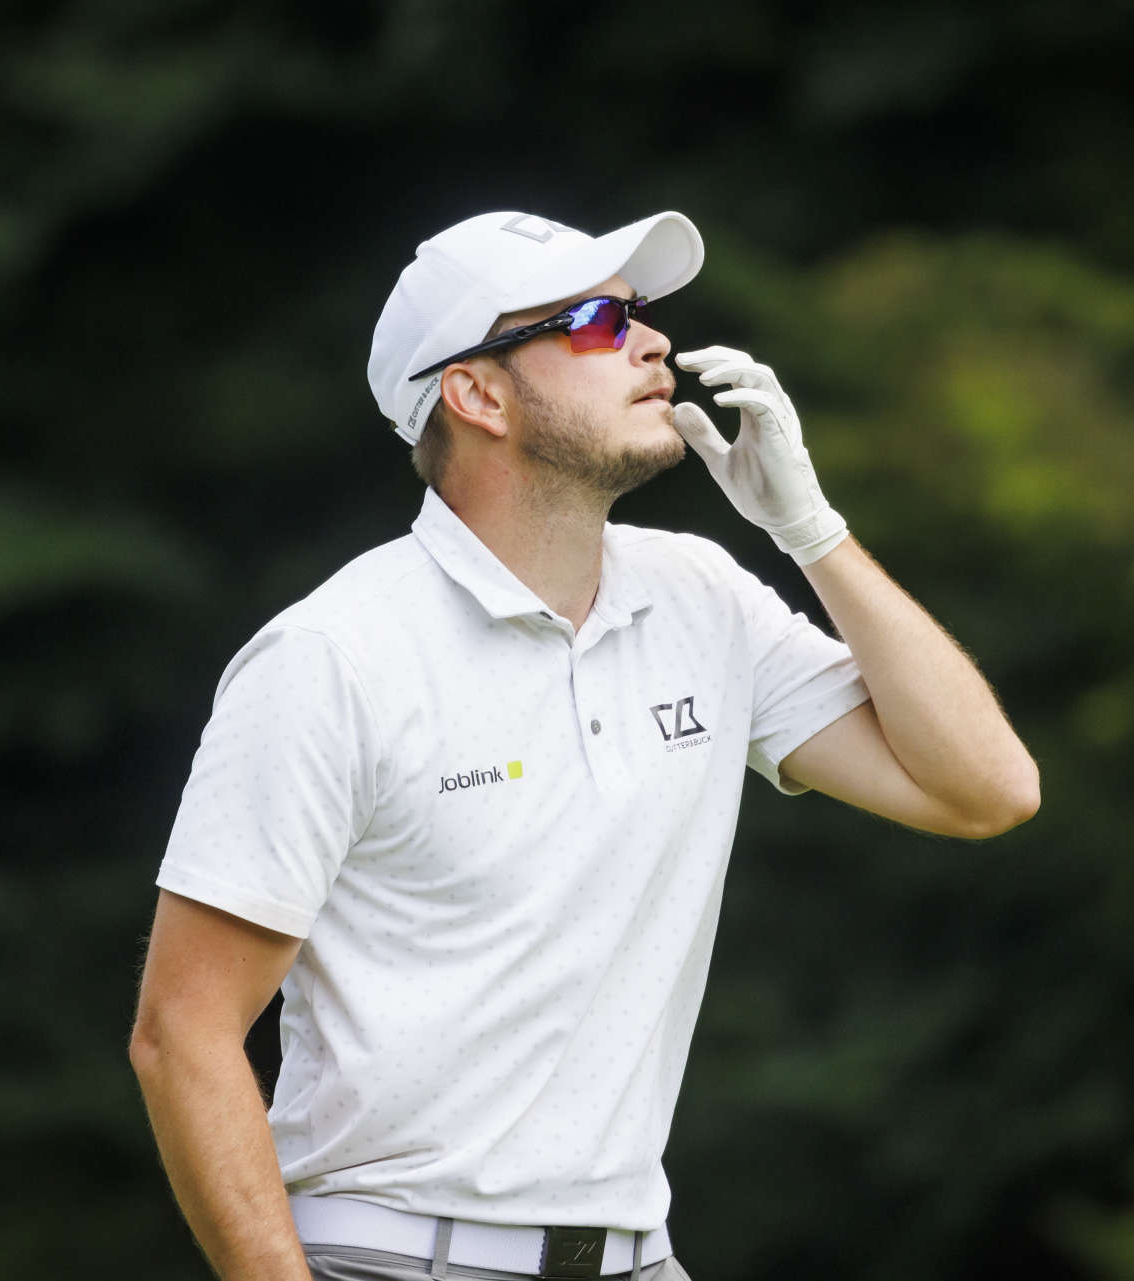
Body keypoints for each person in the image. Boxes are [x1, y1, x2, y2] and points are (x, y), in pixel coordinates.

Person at [129, 210, 1039, 1281]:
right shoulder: (334, 656)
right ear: (478, 395)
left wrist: (813, 533)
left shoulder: (700, 594)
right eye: (598, 319)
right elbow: (181, 1033)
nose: (651, 342)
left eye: (643, 314)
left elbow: (986, 790)